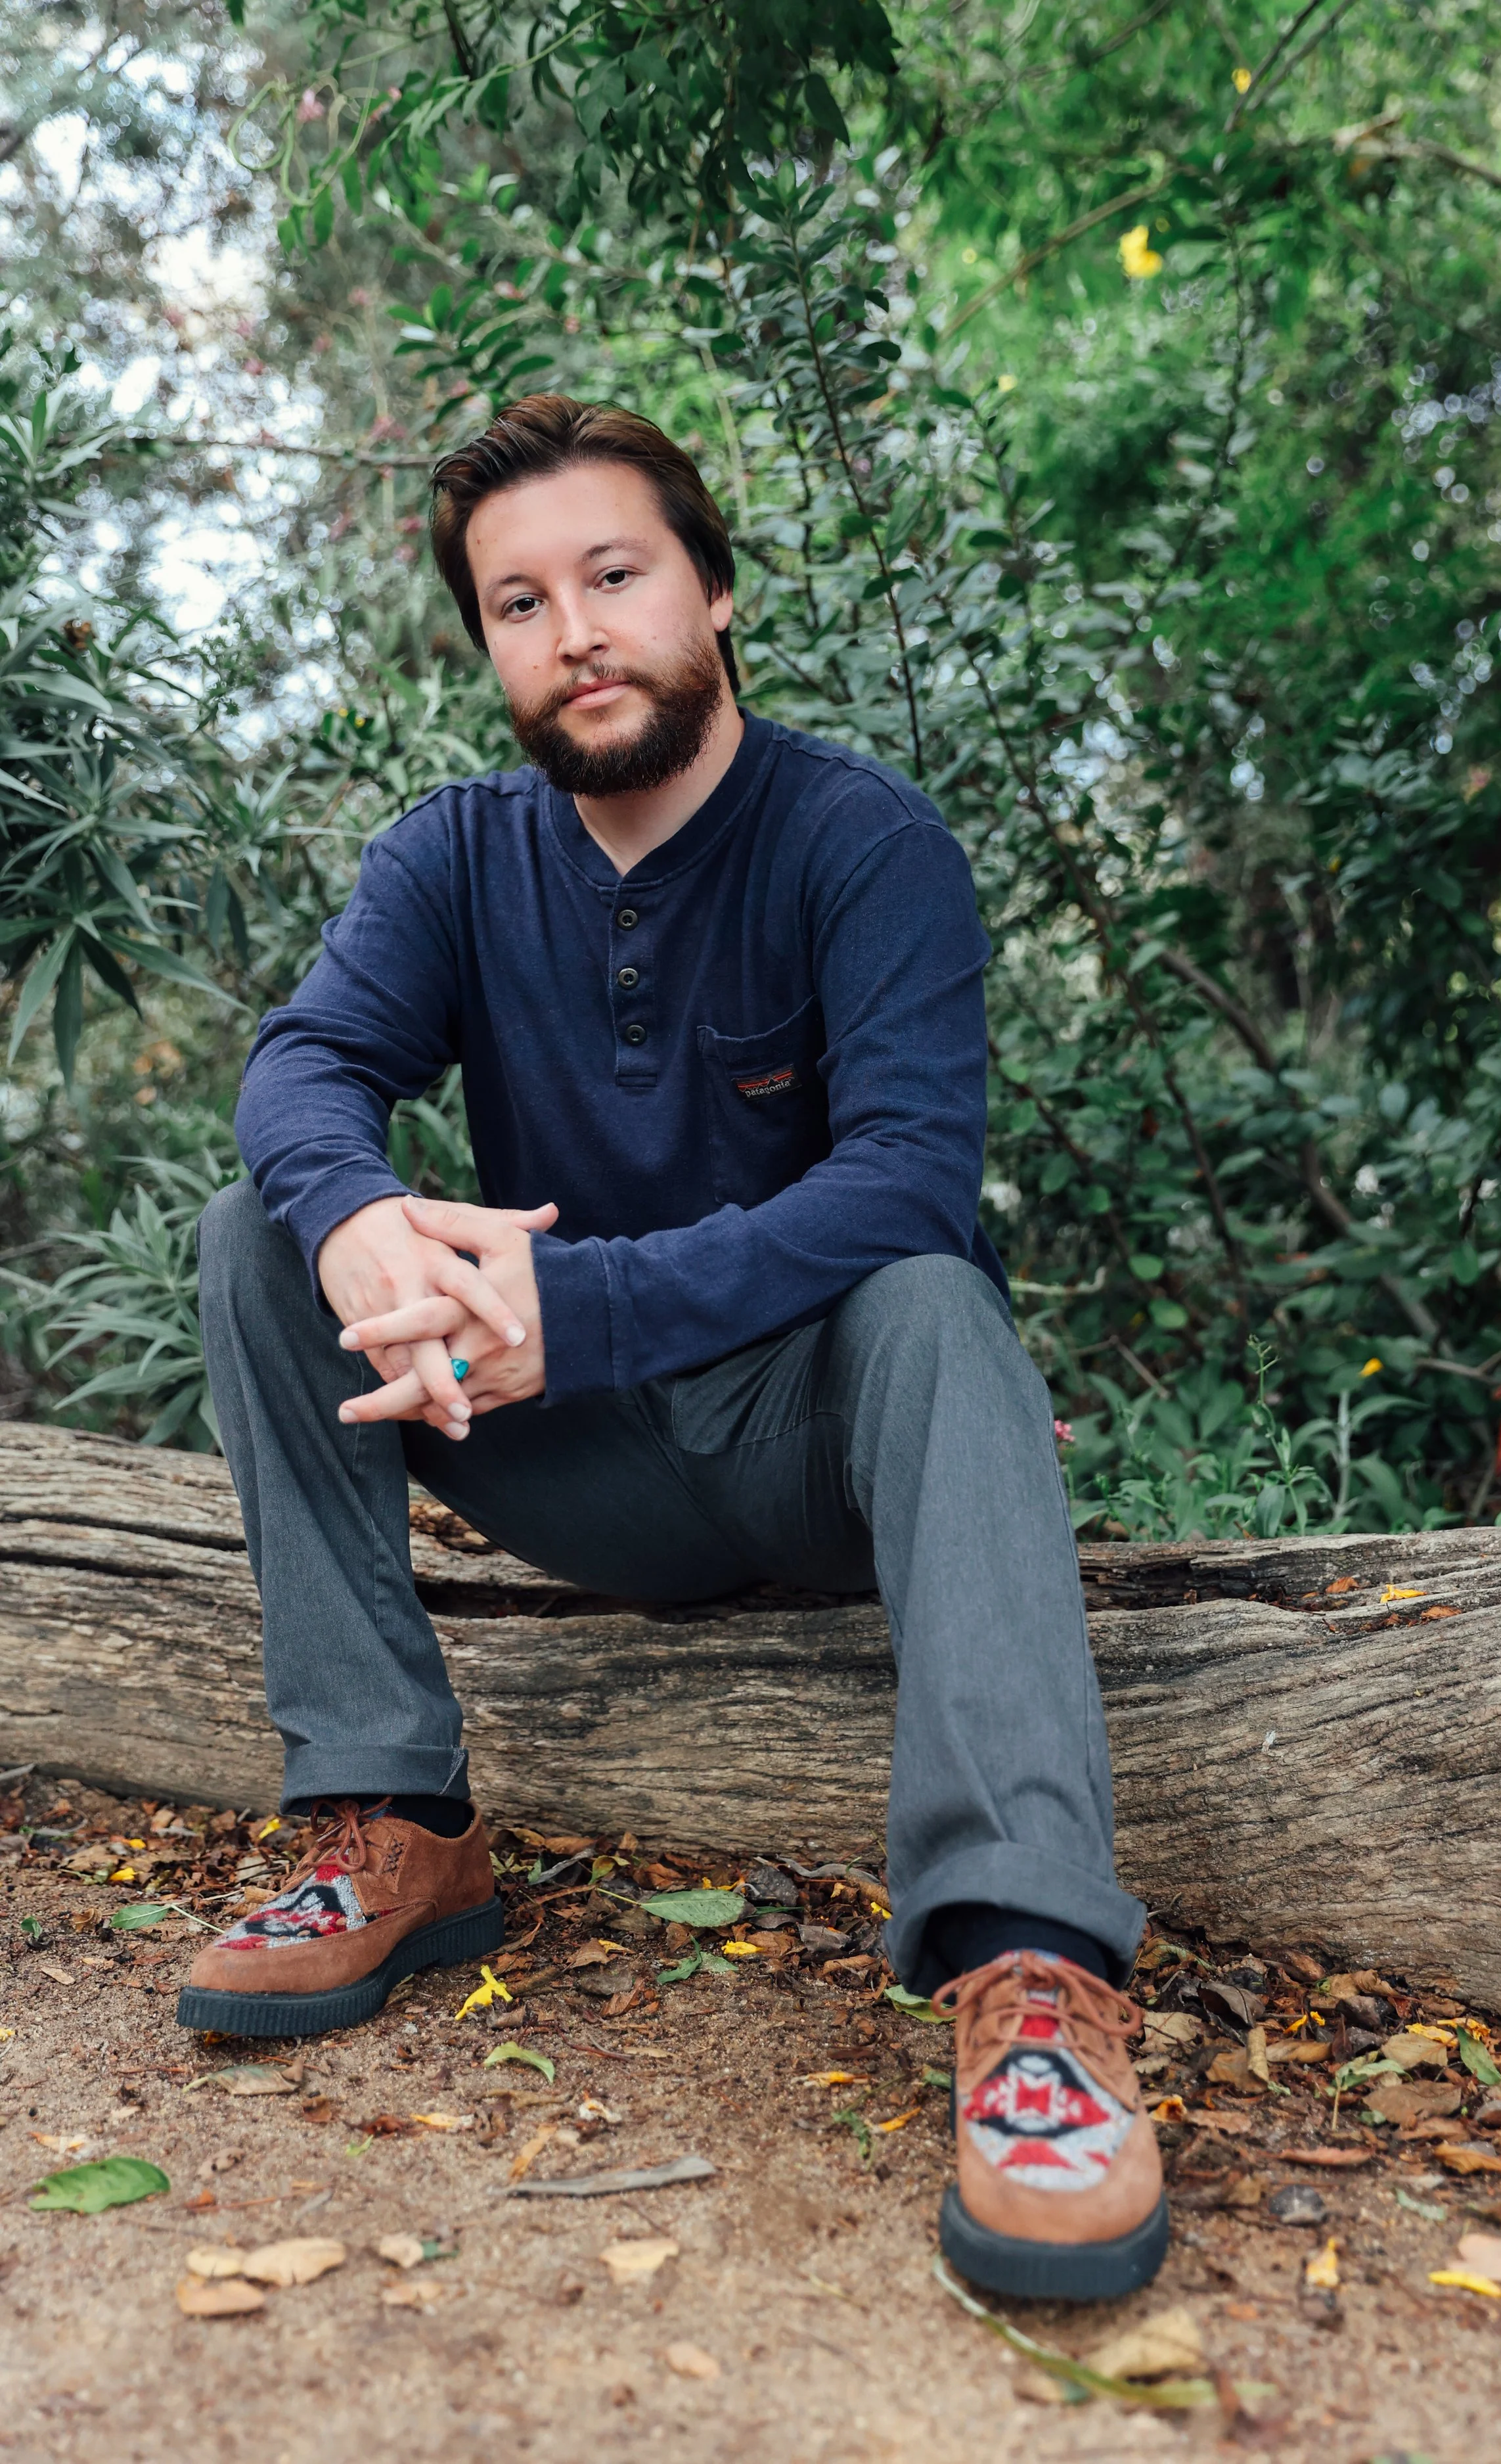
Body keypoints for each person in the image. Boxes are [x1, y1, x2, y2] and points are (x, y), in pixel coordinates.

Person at [185, 394, 1167, 2301]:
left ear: (711, 591)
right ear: (487, 646)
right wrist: (364, 1213)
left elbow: (903, 1180)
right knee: (262, 1233)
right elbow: (304, 1064)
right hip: (578, 1455)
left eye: (614, 575)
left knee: (934, 1291)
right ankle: (391, 1811)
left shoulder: (860, 843)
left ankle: (1029, 1973)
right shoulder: (456, 857)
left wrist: (591, 1302)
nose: (574, 631)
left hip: (821, 1458)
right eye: (518, 601)